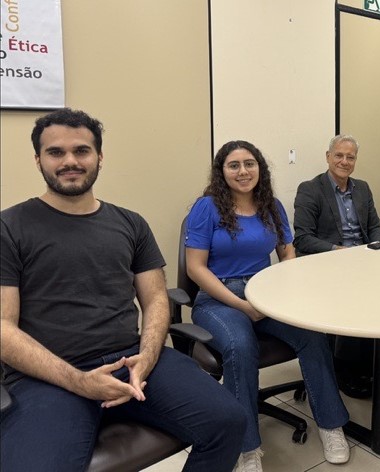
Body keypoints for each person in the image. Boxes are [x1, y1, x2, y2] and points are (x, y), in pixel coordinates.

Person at [0, 108, 247, 471]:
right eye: (56, 152)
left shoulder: (130, 223)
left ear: (99, 157)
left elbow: (156, 298)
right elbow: (3, 327)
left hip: (131, 359)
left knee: (229, 422)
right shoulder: (10, 227)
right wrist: (78, 381)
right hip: (49, 377)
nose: (70, 161)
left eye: (81, 151)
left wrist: (146, 358)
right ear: (38, 160)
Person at [185, 140, 351, 469]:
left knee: (312, 336)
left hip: (264, 292)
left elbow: (287, 250)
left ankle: (331, 426)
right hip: (219, 297)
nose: (243, 171)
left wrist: (284, 290)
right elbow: (195, 268)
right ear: (222, 172)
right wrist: (242, 304)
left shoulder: (271, 205)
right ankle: (246, 448)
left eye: (250, 163)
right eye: (234, 165)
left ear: (260, 168)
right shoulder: (206, 208)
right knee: (240, 345)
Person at [293, 134, 380, 398]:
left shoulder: (363, 188)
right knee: (354, 300)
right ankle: (347, 369)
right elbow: (303, 238)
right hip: (329, 265)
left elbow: (375, 226)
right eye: (339, 155)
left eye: (350, 157)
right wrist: (340, 251)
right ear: (328, 157)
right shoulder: (310, 189)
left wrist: (379, 247)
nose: (344, 161)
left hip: (364, 261)